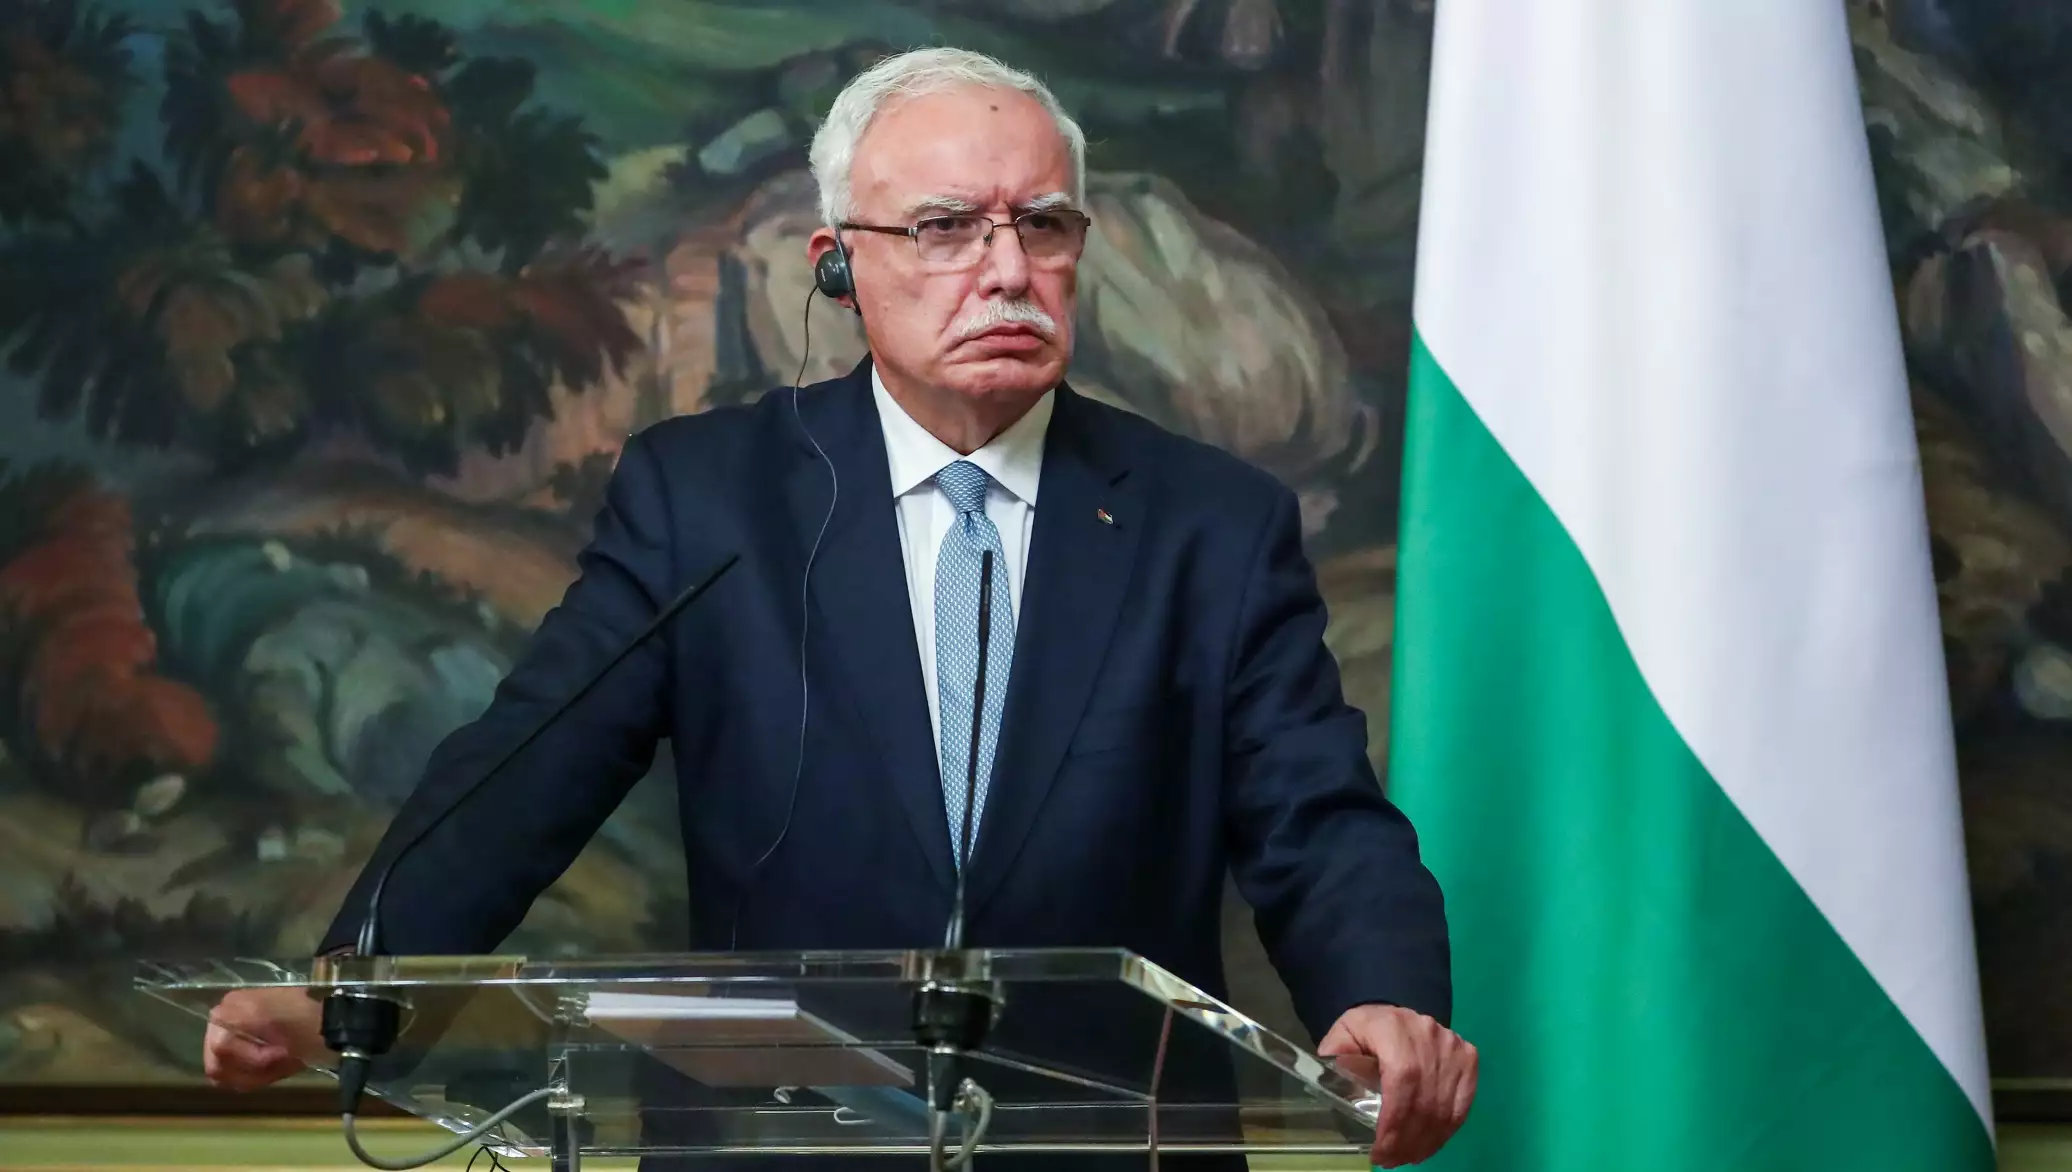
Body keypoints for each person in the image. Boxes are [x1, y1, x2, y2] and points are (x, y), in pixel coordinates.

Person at [202, 47, 1476, 1169]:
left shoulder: (1211, 521)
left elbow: (1313, 813)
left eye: (1041, 225)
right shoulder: (708, 500)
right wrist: (354, 982)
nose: (1006, 269)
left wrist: (1381, 994)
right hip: (778, 1143)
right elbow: (531, 766)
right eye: (944, 228)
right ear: (836, 269)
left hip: (1108, 1142)